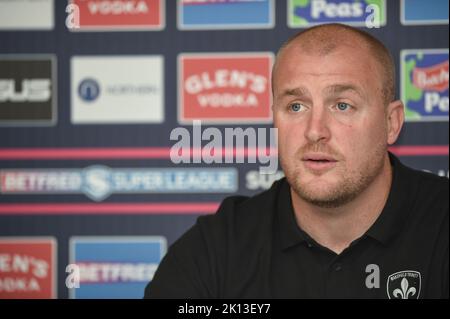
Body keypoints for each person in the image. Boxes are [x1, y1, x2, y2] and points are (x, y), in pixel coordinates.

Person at [145, 24, 449, 299]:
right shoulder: (215, 250)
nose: (315, 130)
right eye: (296, 106)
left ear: (391, 122)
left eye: (342, 105)